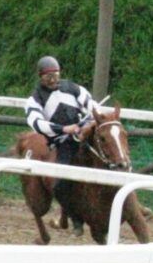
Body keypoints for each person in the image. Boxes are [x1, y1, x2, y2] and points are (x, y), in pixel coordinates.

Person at [25, 55, 98, 236]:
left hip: (85, 136)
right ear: (40, 77)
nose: (52, 79)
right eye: (47, 76)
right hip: (63, 144)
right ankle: (76, 220)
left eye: (55, 75)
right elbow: (37, 124)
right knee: (59, 186)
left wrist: (87, 125)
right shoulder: (34, 100)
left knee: (112, 156)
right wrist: (64, 129)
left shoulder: (73, 88)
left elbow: (92, 105)